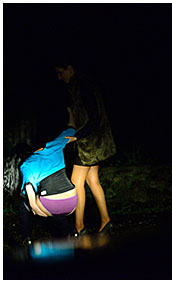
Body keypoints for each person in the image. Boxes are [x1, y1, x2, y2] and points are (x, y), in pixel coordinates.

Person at [55, 64, 116, 235]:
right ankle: (105, 220)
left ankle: (79, 227)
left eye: (61, 73)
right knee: (92, 181)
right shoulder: (81, 86)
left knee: (76, 183)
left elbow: (94, 118)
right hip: (93, 142)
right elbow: (79, 118)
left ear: (70, 69)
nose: (60, 77)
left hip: (89, 144)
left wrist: (77, 136)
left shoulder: (82, 87)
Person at [19, 120, 78, 245]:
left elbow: (29, 190)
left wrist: (38, 211)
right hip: (73, 201)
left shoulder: (27, 164)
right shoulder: (56, 144)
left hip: (53, 205)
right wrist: (73, 136)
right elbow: (71, 130)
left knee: (24, 203)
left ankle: (27, 239)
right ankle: (71, 232)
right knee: (55, 202)